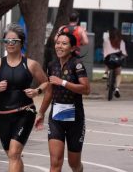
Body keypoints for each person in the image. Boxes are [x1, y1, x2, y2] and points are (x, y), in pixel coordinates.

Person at [0, 23, 48, 172]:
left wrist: (37, 91)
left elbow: (46, 82)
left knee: (13, 153)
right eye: (7, 41)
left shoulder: (31, 64)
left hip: (24, 112)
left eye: (14, 41)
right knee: (12, 155)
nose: (10, 44)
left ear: (21, 42)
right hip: (3, 115)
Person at [37, 32, 90, 172]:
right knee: (55, 163)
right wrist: (41, 113)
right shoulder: (51, 65)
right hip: (56, 118)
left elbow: (86, 89)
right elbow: (49, 91)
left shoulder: (77, 65)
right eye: (58, 43)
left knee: (74, 164)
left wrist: (63, 82)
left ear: (72, 48)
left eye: (64, 43)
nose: (59, 46)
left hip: (75, 119)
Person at [103, 28, 128, 98]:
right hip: (117, 60)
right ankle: (117, 88)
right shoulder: (121, 42)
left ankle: (105, 73)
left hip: (109, 59)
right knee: (118, 74)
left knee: (107, 60)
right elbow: (124, 53)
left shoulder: (107, 41)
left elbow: (105, 52)